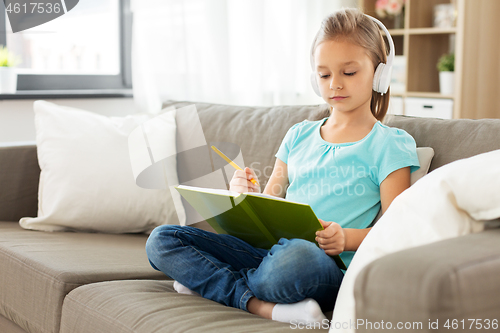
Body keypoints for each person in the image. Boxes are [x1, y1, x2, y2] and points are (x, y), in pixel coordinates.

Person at [145, 8, 420, 325]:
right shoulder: (298, 134)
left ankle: (208, 281)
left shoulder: (390, 144)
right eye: (325, 74)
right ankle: (260, 306)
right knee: (162, 241)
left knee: (293, 261)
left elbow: (396, 229)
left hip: (321, 264)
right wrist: (244, 198)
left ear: (379, 73)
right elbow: (271, 204)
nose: (335, 85)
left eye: (349, 72)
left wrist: (346, 238)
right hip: (268, 253)